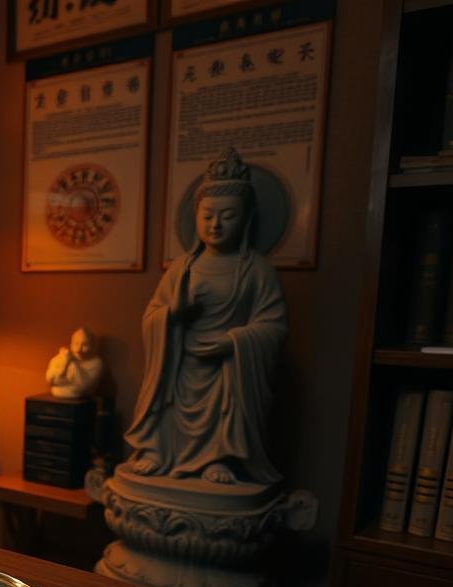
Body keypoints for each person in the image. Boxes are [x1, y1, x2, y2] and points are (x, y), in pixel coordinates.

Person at [123, 148, 286, 485]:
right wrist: (174, 314)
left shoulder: (257, 270)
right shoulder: (183, 267)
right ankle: (159, 450)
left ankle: (219, 458)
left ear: (246, 219)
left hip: (227, 368)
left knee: (227, 406)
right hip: (182, 363)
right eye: (208, 215)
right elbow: (151, 315)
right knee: (165, 398)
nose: (216, 224)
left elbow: (273, 326)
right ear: (195, 216)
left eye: (228, 216)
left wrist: (233, 341)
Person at [46, 325, 104, 398]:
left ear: (92, 346)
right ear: (71, 344)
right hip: (59, 393)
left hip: (81, 398)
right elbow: (50, 380)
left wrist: (72, 362)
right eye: (76, 344)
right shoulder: (60, 358)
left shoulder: (96, 363)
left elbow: (82, 387)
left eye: (84, 345)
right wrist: (64, 362)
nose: (79, 349)